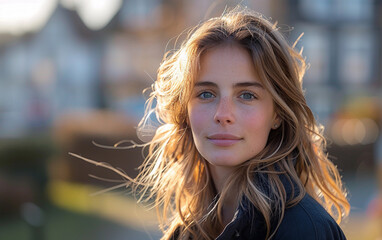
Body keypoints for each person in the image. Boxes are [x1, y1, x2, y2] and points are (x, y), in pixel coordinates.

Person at [76, 6, 350, 240]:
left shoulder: (305, 230)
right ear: (185, 109)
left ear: (277, 113)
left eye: (247, 95)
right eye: (206, 94)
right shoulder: (186, 232)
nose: (223, 113)